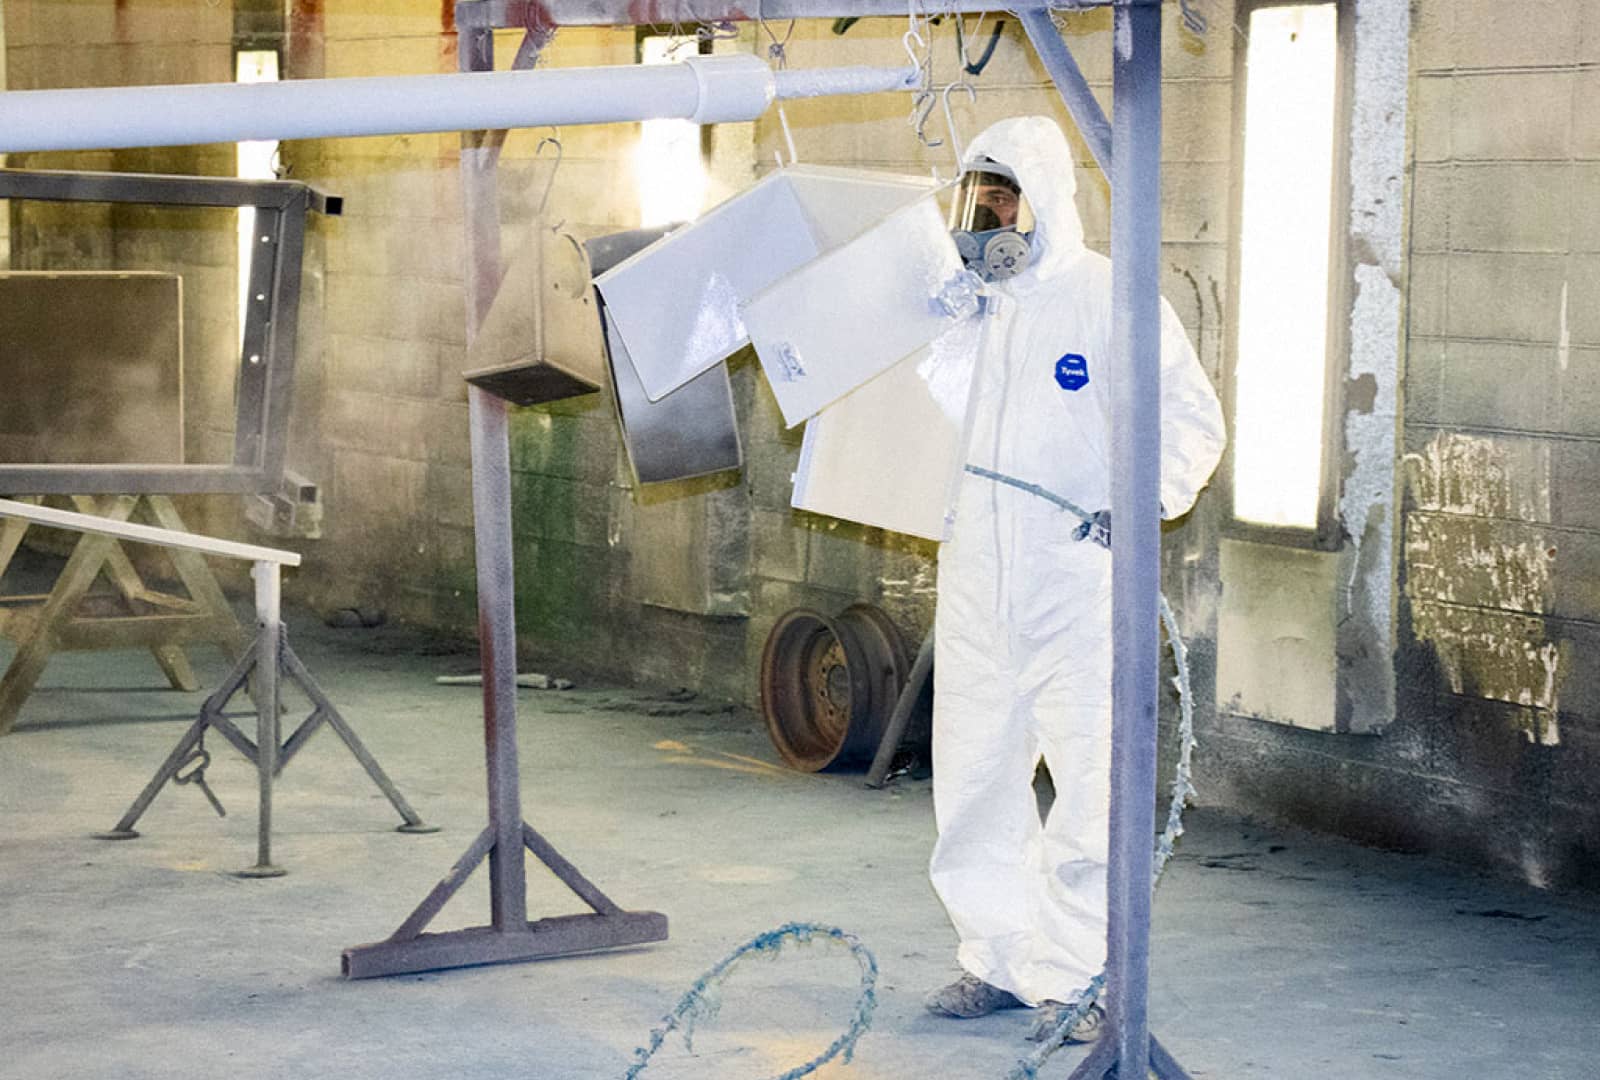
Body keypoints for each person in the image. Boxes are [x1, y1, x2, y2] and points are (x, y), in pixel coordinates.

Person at [923, 116, 1226, 1044]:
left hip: (1078, 578)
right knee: (973, 775)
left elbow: (1191, 420)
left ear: (1045, 201)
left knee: (1093, 785)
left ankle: (1078, 971)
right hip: (977, 575)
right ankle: (995, 957)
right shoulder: (967, 304)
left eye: (1004, 200)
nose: (987, 222)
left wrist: (1138, 511)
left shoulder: (1108, 298)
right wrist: (947, 321)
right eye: (977, 201)